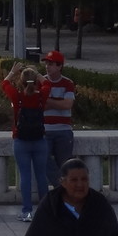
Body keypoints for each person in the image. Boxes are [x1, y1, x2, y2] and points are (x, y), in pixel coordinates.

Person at [11, 158, 118, 236]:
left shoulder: (99, 203)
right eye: (74, 180)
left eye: (84, 179)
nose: (80, 184)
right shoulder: (51, 205)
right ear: (63, 182)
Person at [1, 61, 50, 222]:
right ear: (35, 81)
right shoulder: (41, 96)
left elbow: (5, 83)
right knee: (42, 176)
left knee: (25, 176)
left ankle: (27, 211)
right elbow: (48, 83)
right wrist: (36, 74)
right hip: (39, 140)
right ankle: (45, 210)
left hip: (21, 140)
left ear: (21, 82)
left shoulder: (17, 97)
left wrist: (12, 72)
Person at [41, 50, 76, 185]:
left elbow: (67, 104)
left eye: (51, 63)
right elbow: (39, 106)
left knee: (65, 164)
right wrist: (57, 102)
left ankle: (64, 190)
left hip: (64, 130)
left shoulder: (68, 83)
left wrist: (48, 100)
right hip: (45, 130)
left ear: (59, 66)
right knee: (43, 159)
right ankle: (61, 187)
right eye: (47, 63)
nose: (47, 66)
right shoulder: (41, 82)